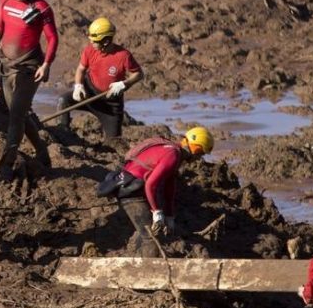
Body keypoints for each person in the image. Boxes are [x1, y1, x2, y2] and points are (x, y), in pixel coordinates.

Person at [0, 0, 57, 178]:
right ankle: (42, 152)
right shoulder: (5, 0)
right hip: (7, 64)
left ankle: (7, 163)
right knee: (19, 113)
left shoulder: (41, 8)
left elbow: (52, 38)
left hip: (30, 67)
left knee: (15, 116)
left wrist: (47, 63)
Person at [114, 127, 214, 257]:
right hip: (130, 189)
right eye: (201, 153)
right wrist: (157, 212)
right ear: (195, 148)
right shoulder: (173, 155)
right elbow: (150, 185)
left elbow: (169, 187)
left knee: (147, 229)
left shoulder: (174, 153)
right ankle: (149, 270)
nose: (199, 158)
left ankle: (138, 258)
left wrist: (169, 215)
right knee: (151, 237)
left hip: (134, 186)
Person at [57, 17, 143, 138]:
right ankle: (63, 134)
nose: (91, 43)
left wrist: (125, 84)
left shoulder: (123, 56)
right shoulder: (89, 51)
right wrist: (78, 86)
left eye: (94, 41)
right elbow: (81, 69)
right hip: (88, 94)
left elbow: (139, 74)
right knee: (63, 101)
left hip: (110, 106)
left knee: (113, 141)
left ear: (106, 41)